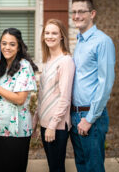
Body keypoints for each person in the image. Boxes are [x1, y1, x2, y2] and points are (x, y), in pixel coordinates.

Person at [0, 28, 38, 172]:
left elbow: (19, 99)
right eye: (4, 43)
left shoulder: (24, 66)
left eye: (12, 44)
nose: (7, 47)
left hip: (16, 131)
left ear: (18, 47)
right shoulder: (0, 66)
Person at [70, 0, 115, 172]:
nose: (76, 15)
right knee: (82, 166)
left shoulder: (102, 42)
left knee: (94, 168)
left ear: (92, 14)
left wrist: (89, 119)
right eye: (73, 11)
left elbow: (105, 84)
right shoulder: (80, 41)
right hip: (76, 115)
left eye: (81, 11)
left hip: (91, 116)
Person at [32, 19, 75, 172]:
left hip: (56, 126)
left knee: (57, 168)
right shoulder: (49, 60)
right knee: (52, 167)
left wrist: (52, 125)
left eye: (54, 33)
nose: (50, 36)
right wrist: (36, 120)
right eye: (47, 33)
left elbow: (65, 98)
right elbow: (43, 95)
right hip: (45, 124)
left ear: (61, 36)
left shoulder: (65, 61)